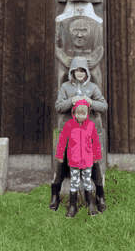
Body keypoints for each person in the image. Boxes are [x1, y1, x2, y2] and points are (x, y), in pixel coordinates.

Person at [50, 56, 108, 212]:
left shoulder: (93, 88)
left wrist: (90, 102)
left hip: (89, 129)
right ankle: (55, 194)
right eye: (77, 70)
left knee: (94, 162)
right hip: (69, 129)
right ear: (72, 71)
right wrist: (72, 100)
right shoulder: (65, 87)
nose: (80, 73)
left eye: (83, 70)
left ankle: (99, 195)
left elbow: (104, 106)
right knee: (62, 162)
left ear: (87, 72)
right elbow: (58, 106)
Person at [55, 98, 101, 217]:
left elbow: (95, 142)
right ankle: (72, 206)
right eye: (78, 113)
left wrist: (96, 155)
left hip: (87, 160)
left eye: (83, 114)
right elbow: (62, 141)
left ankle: (90, 205)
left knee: (87, 182)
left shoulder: (91, 126)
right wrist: (60, 154)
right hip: (74, 160)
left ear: (87, 114)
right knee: (74, 183)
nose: (80, 116)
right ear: (74, 113)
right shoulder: (69, 125)